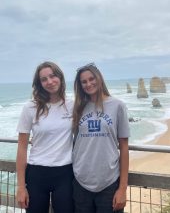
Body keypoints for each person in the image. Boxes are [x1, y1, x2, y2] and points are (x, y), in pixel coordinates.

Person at [16, 61, 74, 213]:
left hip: (65, 173)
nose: (49, 81)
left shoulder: (73, 105)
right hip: (37, 173)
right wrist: (21, 187)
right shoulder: (30, 107)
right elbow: (22, 148)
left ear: (60, 77)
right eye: (44, 79)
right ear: (39, 83)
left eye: (53, 76)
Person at [72, 63, 130, 213]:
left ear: (99, 78)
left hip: (108, 182)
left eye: (91, 79)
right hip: (80, 181)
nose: (88, 84)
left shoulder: (117, 106)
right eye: (83, 82)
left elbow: (124, 147)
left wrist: (122, 188)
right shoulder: (78, 107)